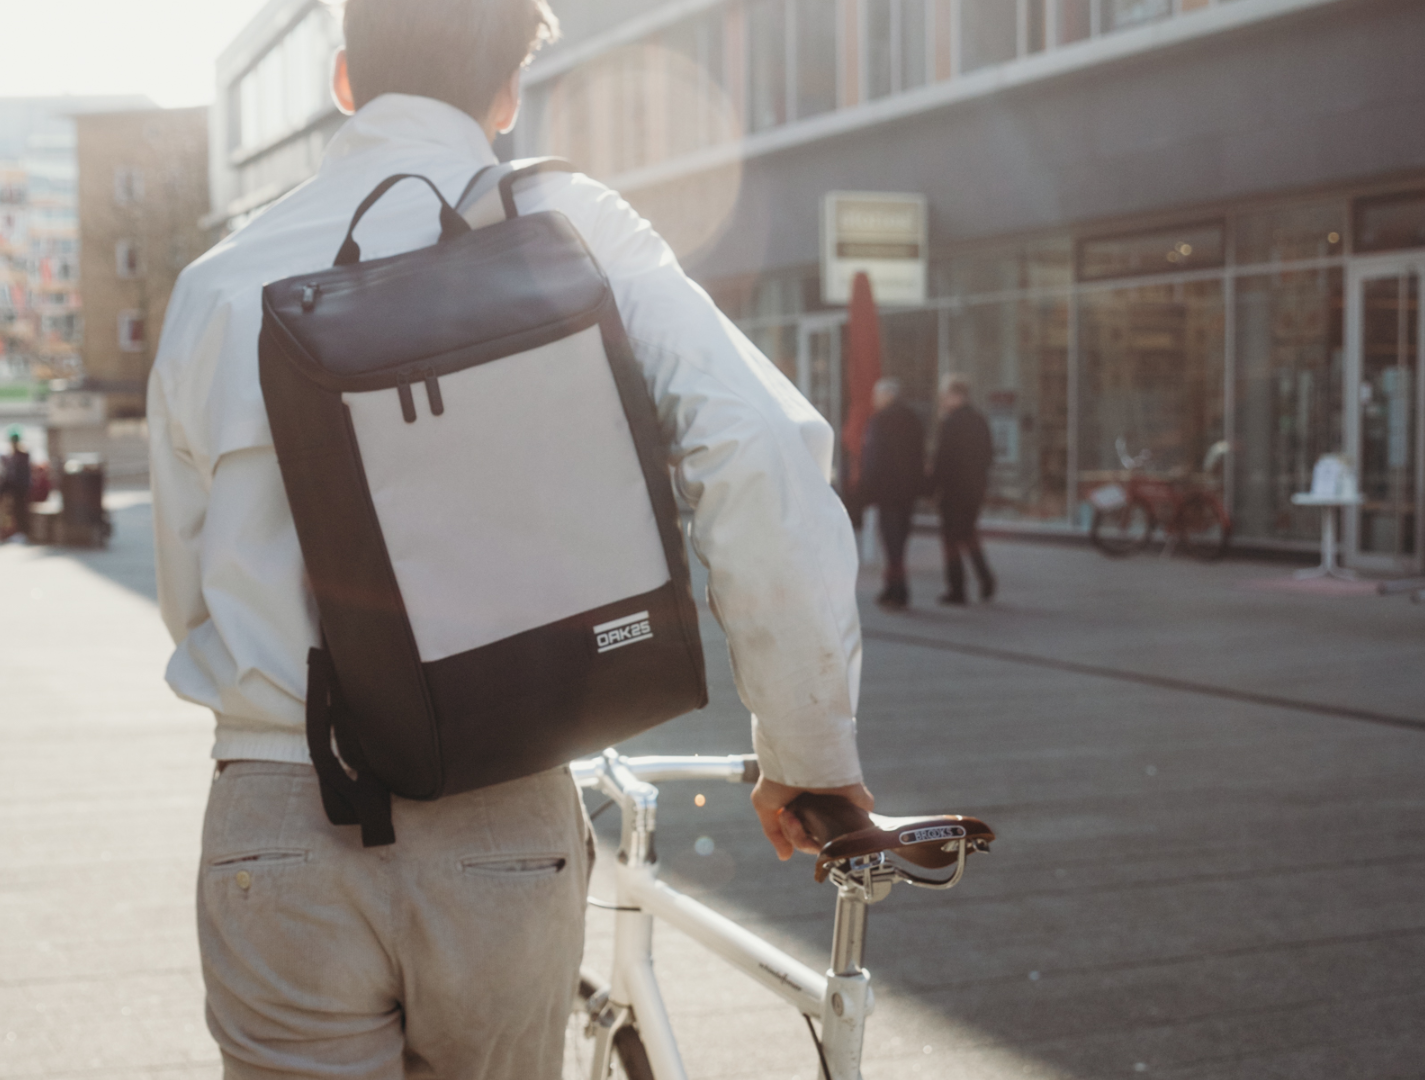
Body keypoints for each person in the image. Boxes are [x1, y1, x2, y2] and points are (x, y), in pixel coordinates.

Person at [147, 2, 872, 1074]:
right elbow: (756, 447)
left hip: (279, 813)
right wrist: (808, 750)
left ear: (343, 81)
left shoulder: (217, 285)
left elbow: (187, 589)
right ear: (508, 93)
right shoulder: (567, 226)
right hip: (497, 811)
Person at [855, 376, 925, 610]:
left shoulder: (880, 420)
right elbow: (919, 455)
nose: (874, 400)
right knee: (899, 542)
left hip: (888, 492)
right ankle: (891, 588)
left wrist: (866, 490)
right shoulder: (913, 418)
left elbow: (873, 459)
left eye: (877, 395)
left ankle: (898, 591)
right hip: (908, 492)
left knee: (892, 543)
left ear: (887, 396)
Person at [929, 373, 997, 604]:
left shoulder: (950, 423)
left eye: (945, 395)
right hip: (974, 490)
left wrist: (932, 489)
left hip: (953, 492)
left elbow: (942, 460)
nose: (942, 399)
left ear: (955, 396)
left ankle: (957, 589)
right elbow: (988, 455)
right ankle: (985, 578)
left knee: (951, 540)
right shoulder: (979, 420)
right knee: (968, 534)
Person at [0, 430, 31, 542]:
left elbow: (11, 475)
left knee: (19, 510)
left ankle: (21, 533)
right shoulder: (20, 456)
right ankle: (16, 532)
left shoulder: (18, 457)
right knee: (17, 510)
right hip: (20, 488)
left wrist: (0, 490)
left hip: (19, 488)